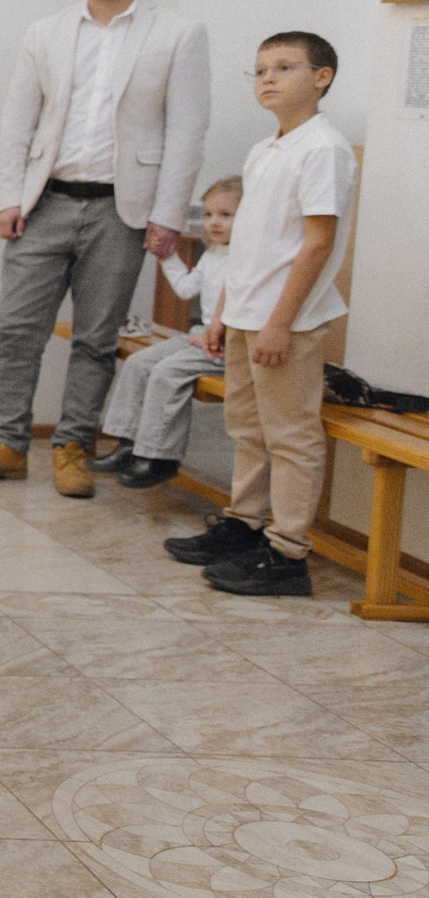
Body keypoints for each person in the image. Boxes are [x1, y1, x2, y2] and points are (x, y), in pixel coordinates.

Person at [0, 0, 209, 497]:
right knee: (15, 328)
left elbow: (188, 132)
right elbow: (18, 119)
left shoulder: (177, 34)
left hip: (123, 209)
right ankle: (9, 443)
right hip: (46, 203)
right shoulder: (48, 32)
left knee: (96, 336)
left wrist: (168, 216)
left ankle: (72, 446)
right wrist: (7, 197)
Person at [164, 34, 356, 598]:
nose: (267, 78)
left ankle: (288, 553)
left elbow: (318, 244)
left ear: (321, 77)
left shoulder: (323, 148)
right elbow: (246, 246)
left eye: (284, 68)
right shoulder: (265, 148)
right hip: (246, 314)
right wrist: (222, 313)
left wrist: (278, 321)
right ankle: (245, 525)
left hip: (285, 322)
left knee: (291, 435)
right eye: (259, 70)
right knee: (247, 427)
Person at [91, 175, 237, 489]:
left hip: (227, 345)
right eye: (209, 214)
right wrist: (167, 257)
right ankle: (128, 444)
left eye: (226, 215)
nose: (214, 222)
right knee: (139, 363)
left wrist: (215, 333)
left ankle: (159, 456)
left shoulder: (247, 260)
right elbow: (186, 289)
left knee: (166, 373)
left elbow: (241, 309)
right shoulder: (213, 256)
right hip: (202, 336)